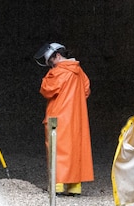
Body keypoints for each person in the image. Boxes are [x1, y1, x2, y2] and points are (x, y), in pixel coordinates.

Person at [34, 42, 94, 196]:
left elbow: (46, 90)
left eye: (51, 62)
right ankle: (74, 187)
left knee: (57, 149)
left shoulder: (58, 72)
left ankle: (58, 185)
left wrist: (47, 78)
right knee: (75, 149)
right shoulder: (79, 71)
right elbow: (86, 90)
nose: (51, 66)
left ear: (58, 56)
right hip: (76, 118)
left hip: (58, 116)